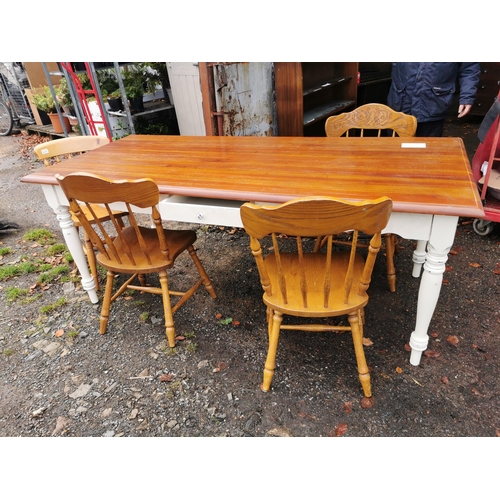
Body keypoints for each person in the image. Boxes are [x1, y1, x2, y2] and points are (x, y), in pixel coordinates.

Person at [387, 62, 481, 137]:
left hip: (432, 104)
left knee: (427, 153)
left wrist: (467, 96)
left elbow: (469, 69)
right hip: (400, 103)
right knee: (396, 153)